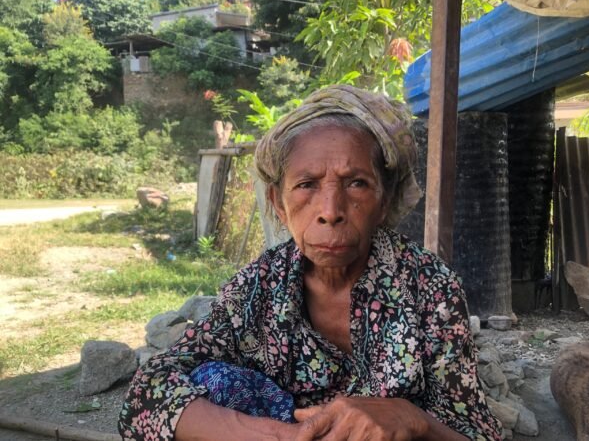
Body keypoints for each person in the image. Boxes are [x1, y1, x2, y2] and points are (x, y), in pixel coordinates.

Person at [118, 85, 502, 441]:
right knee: (211, 379)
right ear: (278, 204)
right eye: (306, 185)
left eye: (356, 183)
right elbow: (146, 393)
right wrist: (283, 436)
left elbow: (476, 431)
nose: (330, 211)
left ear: (385, 201)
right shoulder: (257, 288)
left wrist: (412, 418)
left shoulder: (430, 287)